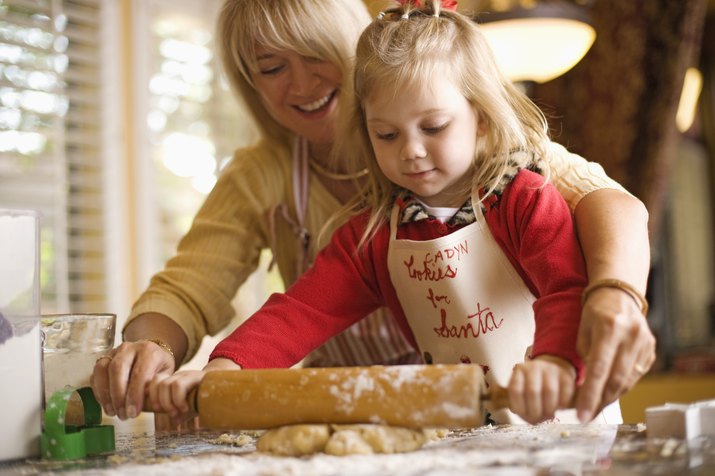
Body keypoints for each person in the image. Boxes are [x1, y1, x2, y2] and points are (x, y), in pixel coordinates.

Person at [91, 0, 654, 425]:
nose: (410, 150)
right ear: (368, 128)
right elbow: (302, 309)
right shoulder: (377, 231)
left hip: (556, 414)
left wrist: (558, 364)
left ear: (480, 120)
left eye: (433, 128)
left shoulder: (524, 194)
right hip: (437, 425)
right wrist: (225, 371)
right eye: (386, 135)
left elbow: (567, 285)